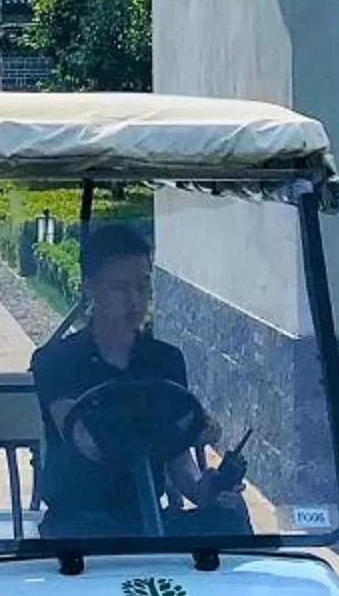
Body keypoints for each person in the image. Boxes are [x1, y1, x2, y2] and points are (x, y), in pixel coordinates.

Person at [27, 222, 244, 536]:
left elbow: (179, 463)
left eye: (143, 286)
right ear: (90, 288)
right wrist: (172, 428)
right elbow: (86, 441)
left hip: (148, 518)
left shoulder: (165, 360)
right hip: (79, 524)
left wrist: (206, 489)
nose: (135, 301)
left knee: (231, 519)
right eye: (120, 288)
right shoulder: (56, 361)